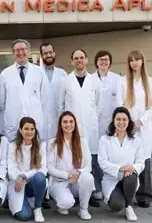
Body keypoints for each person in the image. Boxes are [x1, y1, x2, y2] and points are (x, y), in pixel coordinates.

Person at [58, 49, 101, 207]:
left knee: (90, 160)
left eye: (82, 57)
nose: (79, 60)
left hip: (90, 126)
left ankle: (90, 194)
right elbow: (60, 104)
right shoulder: (66, 80)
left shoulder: (94, 81)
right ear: (72, 61)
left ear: (87, 60)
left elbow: (98, 103)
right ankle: (74, 192)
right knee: (74, 160)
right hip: (72, 127)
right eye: (76, 58)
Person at [117, 50, 152, 208]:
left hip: (145, 127)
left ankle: (144, 194)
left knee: (145, 159)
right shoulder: (123, 81)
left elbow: (151, 107)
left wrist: (140, 122)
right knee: (129, 159)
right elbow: (120, 105)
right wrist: (129, 123)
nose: (134, 62)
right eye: (131, 60)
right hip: (127, 126)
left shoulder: (150, 82)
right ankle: (127, 192)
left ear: (142, 61)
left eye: (137, 59)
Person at [98, 107, 145, 221]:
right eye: (118, 119)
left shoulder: (136, 140)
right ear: (113, 121)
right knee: (117, 205)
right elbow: (102, 162)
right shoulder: (105, 140)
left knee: (131, 175)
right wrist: (120, 168)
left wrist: (131, 168)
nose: (121, 122)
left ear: (129, 121)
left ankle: (129, 207)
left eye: (124, 119)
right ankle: (122, 199)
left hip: (129, 178)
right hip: (111, 179)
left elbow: (141, 162)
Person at [0, 39, 49, 142]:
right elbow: (1, 101)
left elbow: (45, 98)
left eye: (23, 49)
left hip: (34, 121)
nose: (20, 53)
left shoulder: (39, 72)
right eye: (17, 50)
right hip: (13, 123)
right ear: (13, 54)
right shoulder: (5, 74)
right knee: (14, 154)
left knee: (34, 153)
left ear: (29, 51)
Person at [47, 111, 94, 220]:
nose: (68, 125)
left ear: (75, 124)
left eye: (71, 121)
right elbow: (49, 168)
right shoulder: (53, 143)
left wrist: (78, 172)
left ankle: (83, 209)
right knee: (66, 203)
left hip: (77, 180)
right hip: (59, 182)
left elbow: (88, 166)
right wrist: (67, 175)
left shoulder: (83, 142)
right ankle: (64, 201)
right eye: (65, 122)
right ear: (60, 124)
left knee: (88, 177)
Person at [90, 50, 120, 201]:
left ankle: (112, 187)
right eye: (100, 59)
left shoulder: (117, 79)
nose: (103, 62)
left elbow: (120, 102)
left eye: (106, 60)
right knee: (95, 157)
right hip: (94, 124)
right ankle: (97, 188)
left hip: (112, 124)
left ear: (110, 62)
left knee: (110, 156)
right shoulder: (90, 78)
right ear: (96, 62)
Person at [7, 117, 47, 222]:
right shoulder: (13, 146)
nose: (29, 132)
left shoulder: (41, 145)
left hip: (32, 184)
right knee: (24, 216)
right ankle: (26, 202)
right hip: (17, 184)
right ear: (20, 130)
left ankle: (38, 208)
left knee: (40, 178)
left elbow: (42, 169)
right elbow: (11, 169)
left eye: (32, 129)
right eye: (26, 129)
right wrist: (18, 177)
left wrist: (23, 176)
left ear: (35, 130)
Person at [39, 43, 67, 141]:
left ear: (54, 54)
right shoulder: (36, 73)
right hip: (41, 119)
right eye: (45, 53)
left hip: (58, 118)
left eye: (50, 52)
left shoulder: (62, 74)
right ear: (42, 56)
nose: (48, 55)